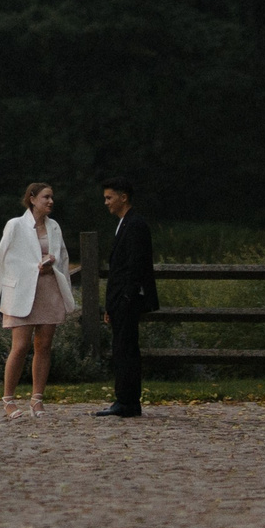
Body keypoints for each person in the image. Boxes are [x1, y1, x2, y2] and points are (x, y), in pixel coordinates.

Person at [0, 182, 74, 419]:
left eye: (52, 197)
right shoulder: (15, 225)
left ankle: (37, 399)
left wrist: (52, 267)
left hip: (48, 290)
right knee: (20, 347)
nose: (51, 201)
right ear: (32, 199)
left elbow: (63, 258)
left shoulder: (54, 227)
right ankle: (8, 399)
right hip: (21, 292)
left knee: (43, 346)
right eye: (46, 197)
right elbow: (2, 259)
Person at [94, 178, 157, 418]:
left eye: (109, 198)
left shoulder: (136, 225)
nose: (106, 203)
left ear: (123, 197)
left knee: (126, 349)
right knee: (121, 349)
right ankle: (125, 399)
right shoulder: (124, 224)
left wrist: (126, 298)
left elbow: (135, 266)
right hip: (120, 299)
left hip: (127, 299)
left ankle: (128, 401)